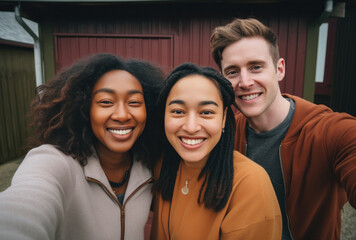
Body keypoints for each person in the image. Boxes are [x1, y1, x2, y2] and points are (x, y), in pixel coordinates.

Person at [210, 18, 356, 240]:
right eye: (232, 72)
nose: (245, 81)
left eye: (255, 67)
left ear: (279, 69)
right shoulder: (225, 133)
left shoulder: (328, 131)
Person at [0, 53, 164, 240]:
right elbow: (22, 209)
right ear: (85, 109)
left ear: (149, 110)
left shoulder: (150, 164)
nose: (122, 115)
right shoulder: (55, 163)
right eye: (106, 102)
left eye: (134, 102)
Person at [151, 63, 282, 240]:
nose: (191, 127)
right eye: (178, 111)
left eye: (206, 112)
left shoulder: (249, 184)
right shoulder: (162, 167)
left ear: (222, 119)